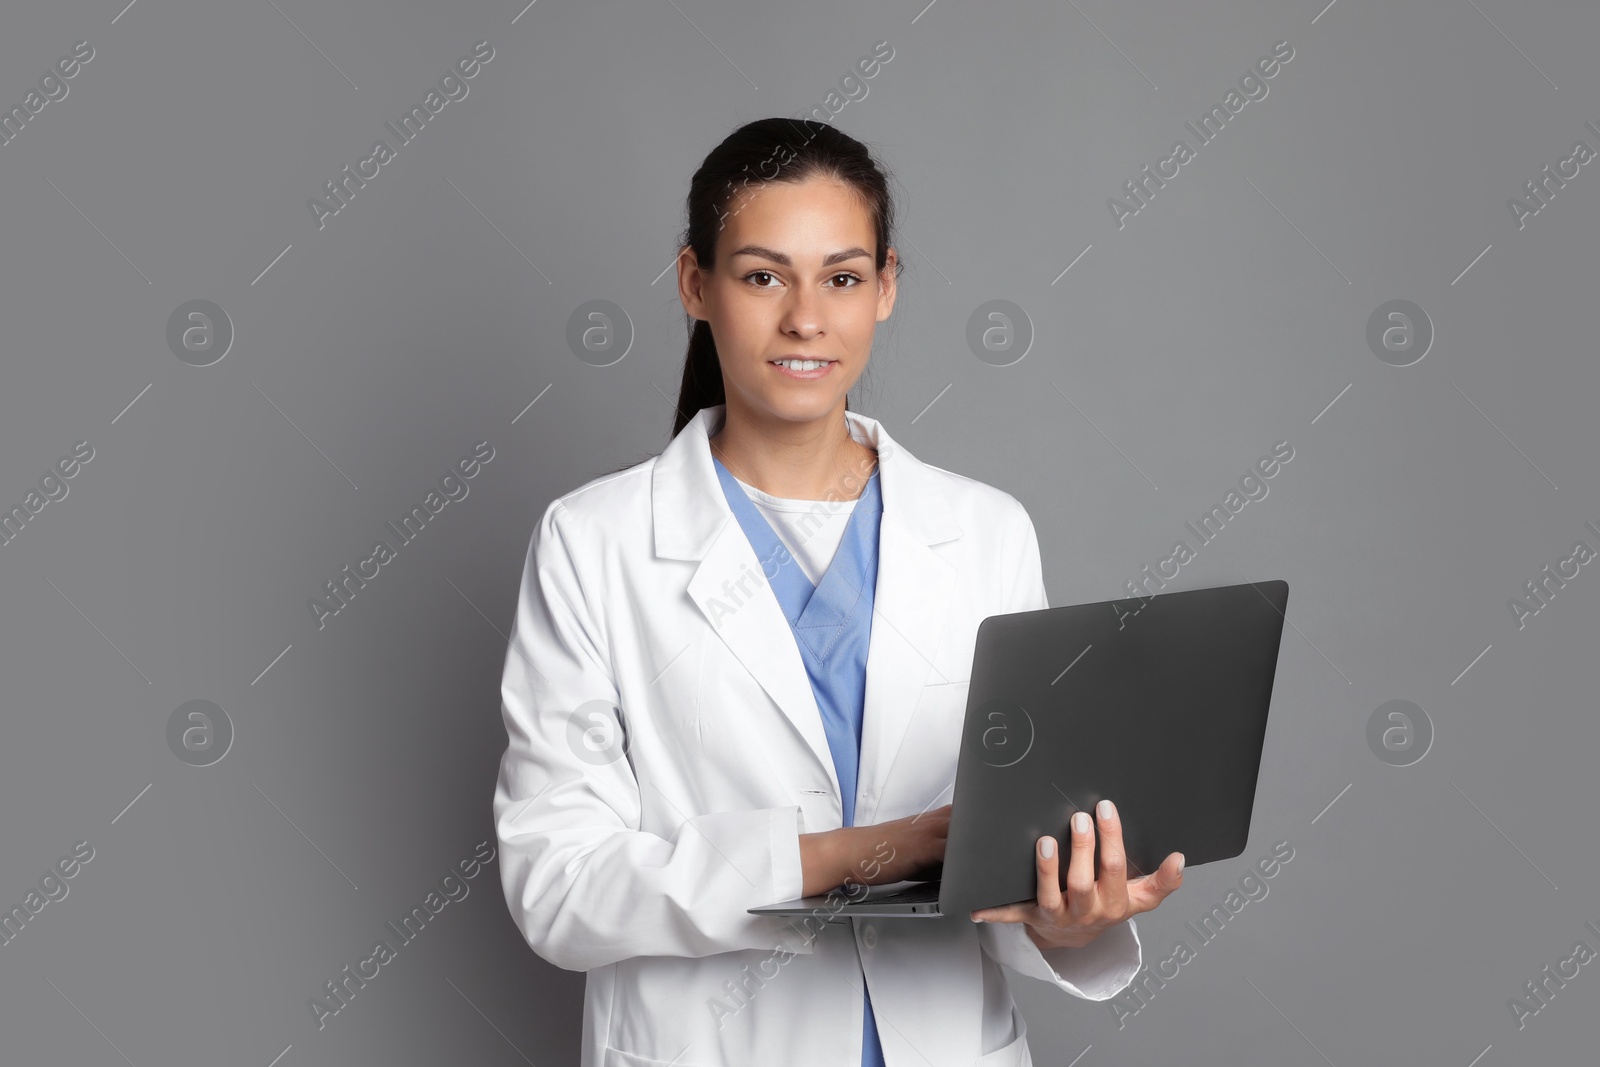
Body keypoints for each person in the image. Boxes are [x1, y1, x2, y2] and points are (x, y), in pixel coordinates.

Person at [493, 117, 1185, 1067]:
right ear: (696, 283)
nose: (806, 318)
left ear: (887, 287)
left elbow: (1002, 863)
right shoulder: (594, 542)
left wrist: (1072, 916)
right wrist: (859, 852)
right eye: (763, 275)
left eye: (843, 277)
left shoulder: (986, 533)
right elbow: (558, 887)